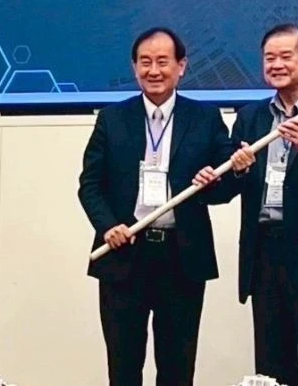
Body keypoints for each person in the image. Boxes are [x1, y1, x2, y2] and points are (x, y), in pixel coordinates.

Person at [194, 23, 298, 386]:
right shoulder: (250, 117)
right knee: (272, 368)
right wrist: (231, 173)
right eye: (269, 58)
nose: (276, 65)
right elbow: (228, 189)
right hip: (264, 256)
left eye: (285, 56)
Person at [78, 27, 235, 386]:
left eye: (163, 62)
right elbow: (90, 185)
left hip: (182, 258)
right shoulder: (112, 118)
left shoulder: (205, 118)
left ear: (182, 66)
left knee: (177, 369)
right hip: (124, 256)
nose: (153, 70)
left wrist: (223, 177)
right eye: (145, 62)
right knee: (123, 367)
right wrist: (108, 226)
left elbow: (226, 189)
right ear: (134, 67)